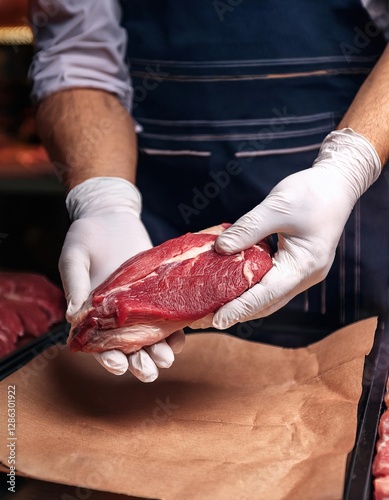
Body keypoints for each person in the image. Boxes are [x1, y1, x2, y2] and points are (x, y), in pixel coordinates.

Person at [29, 0, 389, 382]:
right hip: (157, 216)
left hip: (347, 214)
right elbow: (75, 53)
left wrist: (348, 166)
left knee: (357, 391)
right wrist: (104, 199)